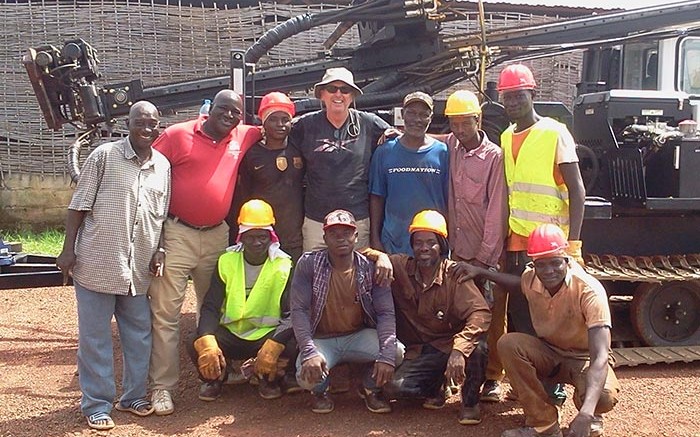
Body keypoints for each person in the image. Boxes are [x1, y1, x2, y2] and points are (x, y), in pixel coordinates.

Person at [56, 101, 170, 431]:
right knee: (95, 339)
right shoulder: (104, 156)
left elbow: (160, 216)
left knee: (139, 335)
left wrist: (159, 248)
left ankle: (133, 397)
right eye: (140, 123)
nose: (147, 129)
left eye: (152, 124)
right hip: (97, 262)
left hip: (137, 270)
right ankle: (96, 403)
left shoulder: (162, 165)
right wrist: (67, 252)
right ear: (128, 124)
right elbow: (78, 207)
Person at [148, 89, 261, 415]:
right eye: (224, 110)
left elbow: (277, 126)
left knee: (219, 310)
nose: (229, 117)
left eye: (236, 113)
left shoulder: (242, 135)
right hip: (177, 234)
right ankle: (163, 388)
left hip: (217, 237)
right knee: (166, 315)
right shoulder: (176, 135)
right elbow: (145, 167)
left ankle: (219, 373)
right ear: (209, 110)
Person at [455, 224, 619, 437]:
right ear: (534, 264)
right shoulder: (533, 278)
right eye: (541, 265)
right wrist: (480, 271)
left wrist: (586, 414)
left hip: (584, 357)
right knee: (508, 343)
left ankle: (591, 414)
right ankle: (544, 423)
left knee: (603, 396)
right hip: (549, 352)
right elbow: (516, 283)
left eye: (555, 263)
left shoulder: (589, 291)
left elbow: (600, 357)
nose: (549, 271)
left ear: (567, 260)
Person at [497, 64, 586, 404]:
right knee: (520, 316)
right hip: (517, 242)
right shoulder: (506, 136)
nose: (513, 102)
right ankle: (528, 383)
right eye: (508, 96)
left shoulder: (555, 133)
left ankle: (555, 384)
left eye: (519, 95)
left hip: (550, 246)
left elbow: (577, 190)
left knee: (552, 318)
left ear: (532, 95)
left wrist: (573, 244)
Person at [373, 210, 492, 425]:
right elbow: (360, 253)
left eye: (431, 242)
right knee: (395, 388)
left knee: (478, 347)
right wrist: (380, 256)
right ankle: (438, 386)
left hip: (450, 345)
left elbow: (480, 313)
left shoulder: (454, 275)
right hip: (421, 351)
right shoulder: (400, 266)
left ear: (442, 246)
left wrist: (459, 349)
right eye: (418, 242)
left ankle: (470, 403)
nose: (424, 248)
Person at [290, 209, 401, 414]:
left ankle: (369, 387)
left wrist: (385, 357)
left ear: (356, 236)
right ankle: (320, 391)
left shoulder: (371, 267)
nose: (341, 238)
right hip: (322, 339)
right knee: (306, 376)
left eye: (346, 232)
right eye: (334, 233)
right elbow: (299, 310)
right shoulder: (308, 264)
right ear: (325, 237)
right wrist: (308, 351)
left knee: (395, 352)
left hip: (358, 336)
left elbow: (386, 313)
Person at [190, 199, 298, 402]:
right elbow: (211, 306)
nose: (256, 243)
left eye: (262, 237)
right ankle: (215, 377)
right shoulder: (226, 261)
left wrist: (275, 343)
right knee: (195, 342)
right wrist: (207, 341)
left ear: (271, 237)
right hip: (232, 334)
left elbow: (291, 314)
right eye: (250, 237)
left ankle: (268, 378)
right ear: (241, 237)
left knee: (292, 344)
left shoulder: (284, 266)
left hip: (265, 335)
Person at [443, 90, 509, 402]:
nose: (458, 129)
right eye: (454, 123)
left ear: (477, 120)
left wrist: (483, 262)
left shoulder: (493, 157)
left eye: (464, 123)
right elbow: (431, 136)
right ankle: (467, 374)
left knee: (493, 317)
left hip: (486, 256)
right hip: (459, 251)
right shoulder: (452, 145)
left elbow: (496, 212)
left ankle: (493, 377)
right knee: (463, 315)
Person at [289, 67, 390, 251]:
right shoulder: (305, 125)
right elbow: (275, 137)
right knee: (315, 275)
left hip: (356, 222)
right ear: (321, 95)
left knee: (357, 277)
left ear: (352, 96)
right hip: (316, 222)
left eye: (345, 90)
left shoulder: (369, 123)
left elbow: (401, 140)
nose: (338, 94)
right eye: (332, 89)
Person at [369, 91, 449, 255]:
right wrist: (375, 238)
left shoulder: (443, 152)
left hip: (432, 245)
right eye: (411, 113)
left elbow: (449, 199)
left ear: (431, 117)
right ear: (402, 114)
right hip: (394, 243)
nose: (417, 120)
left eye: (423, 115)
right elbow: (377, 197)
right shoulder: (384, 151)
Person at [230, 92, 304, 262]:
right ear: (263, 122)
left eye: (285, 119)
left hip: (293, 235)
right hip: (261, 236)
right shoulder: (252, 155)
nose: (280, 124)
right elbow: (243, 195)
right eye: (273, 119)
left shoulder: (299, 149)